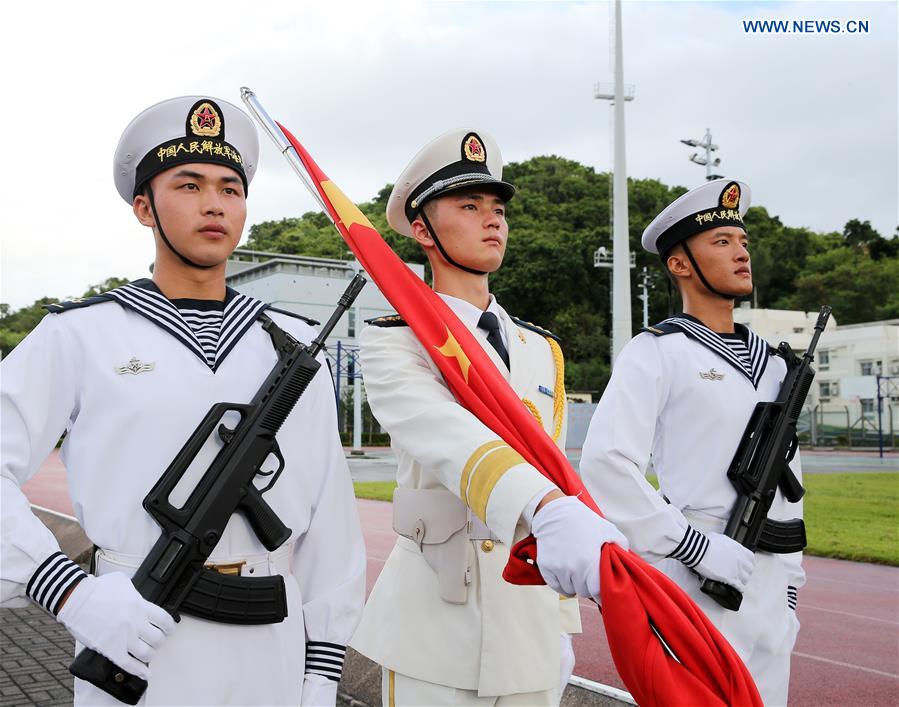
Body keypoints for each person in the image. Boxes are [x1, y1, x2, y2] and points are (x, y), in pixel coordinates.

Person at [0, 94, 365, 706]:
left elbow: (332, 518)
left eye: (230, 187)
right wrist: (69, 592)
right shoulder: (81, 334)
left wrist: (323, 671)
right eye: (189, 185)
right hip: (131, 632)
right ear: (145, 208)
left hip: (270, 646)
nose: (215, 204)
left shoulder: (295, 345)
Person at [350, 128, 626, 706]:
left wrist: (559, 620)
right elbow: (445, 436)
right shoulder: (394, 343)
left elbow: (556, 472)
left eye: (497, 208)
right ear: (422, 229)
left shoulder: (539, 348)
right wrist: (547, 509)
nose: (492, 220)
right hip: (435, 624)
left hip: (527, 625)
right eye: (469, 206)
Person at [579, 179, 804, 705]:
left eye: (742, 241)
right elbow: (606, 463)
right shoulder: (657, 352)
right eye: (721, 242)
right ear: (680, 265)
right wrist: (693, 547)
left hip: (769, 581)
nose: (741, 253)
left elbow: (789, 482)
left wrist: (792, 582)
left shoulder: (775, 363)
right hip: (698, 574)